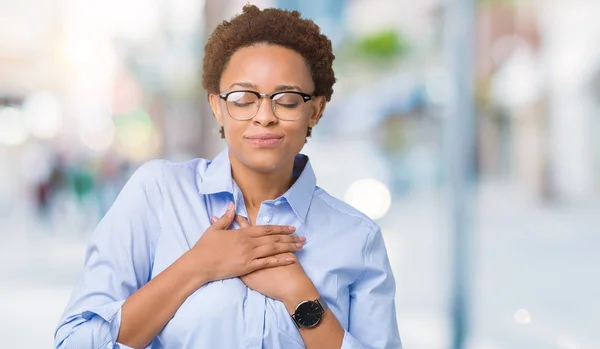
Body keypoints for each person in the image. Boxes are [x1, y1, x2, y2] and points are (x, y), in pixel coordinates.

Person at [55, 5, 402, 349]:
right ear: (217, 107)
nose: (264, 116)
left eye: (287, 99)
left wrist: (300, 296)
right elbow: (75, 343)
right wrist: (196, 267)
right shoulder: (159, 194)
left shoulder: (358, 237)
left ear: (316, 109)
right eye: (242, 98)